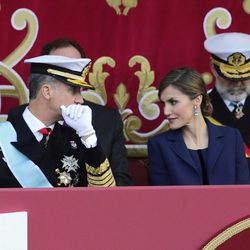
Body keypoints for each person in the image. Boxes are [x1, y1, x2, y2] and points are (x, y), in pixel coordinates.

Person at [8, 39, 133, 186]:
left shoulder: (74, 139)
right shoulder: (5, 135)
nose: (80, 100)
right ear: (47, 91)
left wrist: (88, 136)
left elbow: (103, 197)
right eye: (74, 90)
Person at [148, 67, 249, 185]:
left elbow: (244, 192)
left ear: (197, 100)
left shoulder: (231, 137)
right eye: (163, 104)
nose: (166, 111)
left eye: (173, 102)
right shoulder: (159, 145)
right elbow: (163, 198)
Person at [204, 32, 250, 162]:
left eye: (245, 77)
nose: (238, 83)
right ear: (213, 68)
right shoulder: (198, 108)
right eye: (230, 77)